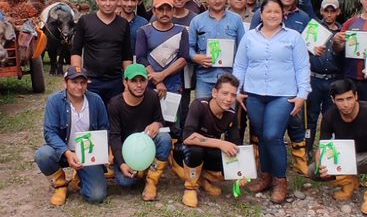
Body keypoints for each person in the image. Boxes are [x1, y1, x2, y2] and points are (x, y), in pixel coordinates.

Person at [234, 0, 311, 204]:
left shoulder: (293, 37)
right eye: (269, 11)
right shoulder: (249, 37)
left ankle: (280, 180)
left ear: (282, 14)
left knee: (273, 135)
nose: (273, 15)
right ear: (261, 13)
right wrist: (237, 90)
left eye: (277, 12)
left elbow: (302, 67)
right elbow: (240, 66)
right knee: (260, 135)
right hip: (254, 94)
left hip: (282, 95)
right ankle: (266, 176)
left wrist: (302, 94)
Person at [250, 0, 317, 176]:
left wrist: (316, 48)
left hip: (289, 86)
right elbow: (251, 47)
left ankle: (295, 164)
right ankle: (264, 168)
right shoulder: (260, 16)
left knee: (292, 125)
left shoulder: (303, 17)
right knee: (262, 131)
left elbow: (308, 50)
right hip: (259, 87)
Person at [316, 79, 367, 216]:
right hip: (344, 159)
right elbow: (322, 148)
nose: (346, 104)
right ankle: (348, 182)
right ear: (333, 100)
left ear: (356, 96)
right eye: (340, 100)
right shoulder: (329, 116)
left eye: (349, 98)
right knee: (314, 170)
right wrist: (321, 164)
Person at [36, 67, 111, 206]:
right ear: (66, 83)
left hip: (87, 153)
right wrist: (67, 153)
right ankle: (60, 184)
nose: (79, 86)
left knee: (97, 196)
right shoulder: (55, 101)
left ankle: (80, 176)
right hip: (63, 152)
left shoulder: (96, 101)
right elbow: (49, 132)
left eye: (83, 82)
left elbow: (104, 128)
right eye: (74, 82)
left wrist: (103, 154)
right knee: (43, 155)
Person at [176, 73, 243, 207]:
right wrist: (220, 143)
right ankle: (191, 188)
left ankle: (202, 178)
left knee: (229, 164)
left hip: (209, 151)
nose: (229, 99)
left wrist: (241, 171)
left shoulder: (231, 115)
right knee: (195, 150)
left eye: (233, 95)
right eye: (225, 93)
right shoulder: (199, 105)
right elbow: (188, 138)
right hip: (184, 151)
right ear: (214, 92)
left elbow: (235, 146)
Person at [107, 64, 172, 200]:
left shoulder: (152, 97)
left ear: (147, 81)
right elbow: (115, 136)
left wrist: (157, 123)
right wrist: (122, 163)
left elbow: (160, 120)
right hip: (128, 151)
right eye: (134, 81)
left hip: (147, 143)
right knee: (125, 182)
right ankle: (136, 170)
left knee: (165, 138)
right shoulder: (115, 104)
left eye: (142, 80)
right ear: (125, 82)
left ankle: (151, 181)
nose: (139, 85)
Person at [71, 0, 134, 106]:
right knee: (93, 118)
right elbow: (76, 51)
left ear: (117, 1)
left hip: (115, 81)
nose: (108, 3)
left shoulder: (123, 24)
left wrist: (127, 81)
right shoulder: (85, 21)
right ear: (97, 1)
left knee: (114, 118)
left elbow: (127, 56)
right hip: (91, 80)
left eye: (111, 0)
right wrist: (78, 77)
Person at [306, 0, 344, 174]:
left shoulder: (344, 31)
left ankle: (327, 154)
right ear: (321, 11)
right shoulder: (314, 27)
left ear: (338, 11)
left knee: (330, 118)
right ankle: (306, 150)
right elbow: (305, 2)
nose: (329, 14)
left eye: (333, 10)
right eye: (326, 10)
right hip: (314, 78)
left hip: (333, 80)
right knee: (310, 118)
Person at [189, 0, 245, 100]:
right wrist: (195, 57)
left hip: (229, 78)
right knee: (203, 113)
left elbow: (243, 49)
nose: (217, 0)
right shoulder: (197, 21)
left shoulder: (236, 20)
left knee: (227, 115)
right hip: (204, 78)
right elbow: (189, 47)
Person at [135, 0, 189, 103]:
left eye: (168, 9)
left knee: (171, 119)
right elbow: (141, 58)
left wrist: (162, 75)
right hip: (149, 84)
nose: (164, 13)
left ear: (173, 11)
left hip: (174, 85)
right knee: (149, 118)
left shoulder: (181, 31)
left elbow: (183, 58)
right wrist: (158, 82)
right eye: (160, 9)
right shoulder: (144, 31)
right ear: (154, 11)